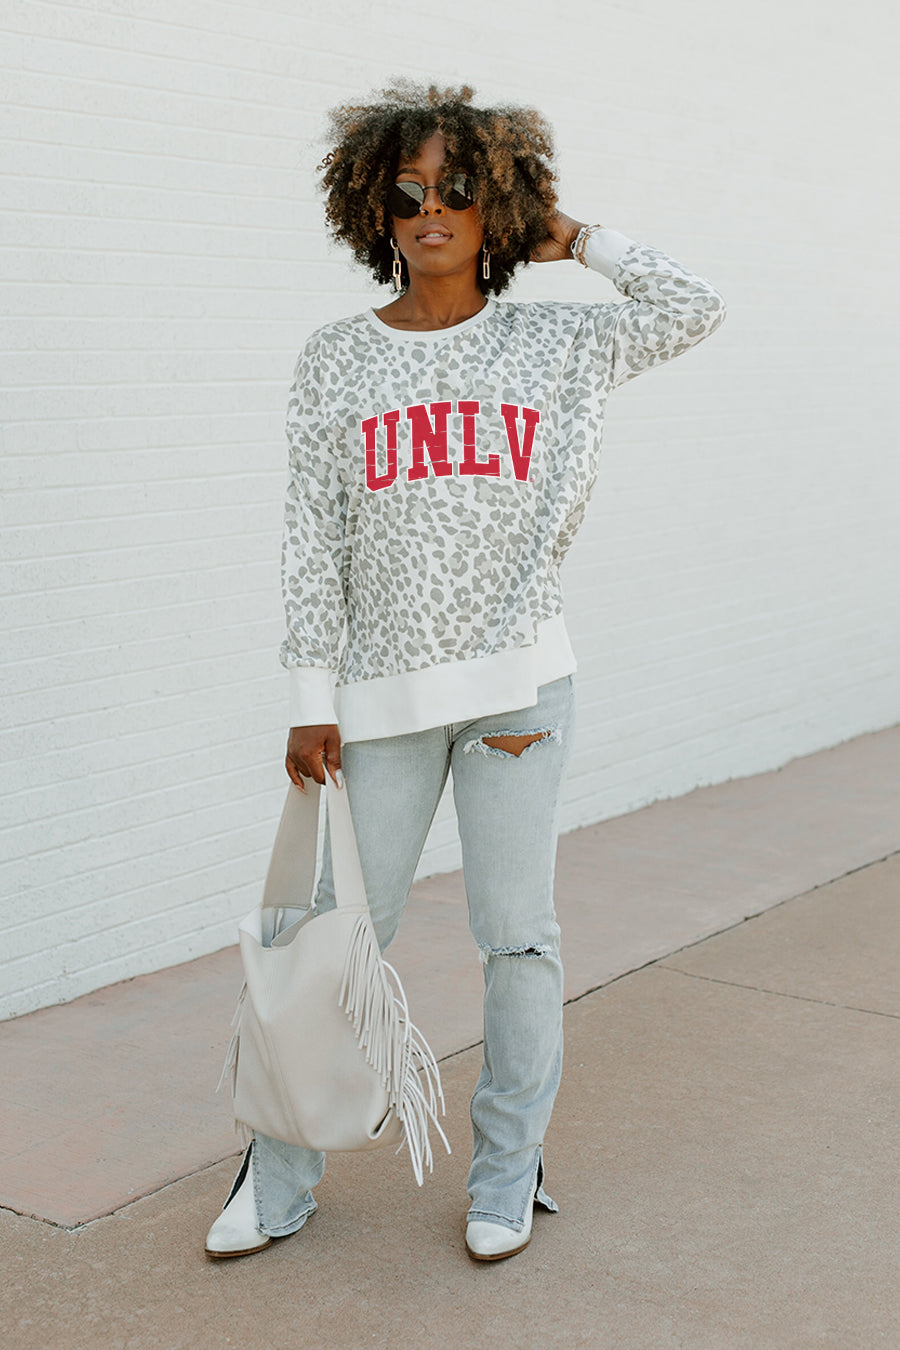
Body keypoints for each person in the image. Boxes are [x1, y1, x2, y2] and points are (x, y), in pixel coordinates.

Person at [205, 78, 727, 1263]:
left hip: (518, 696)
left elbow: (695, 304)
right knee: (333, 937)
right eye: (407, 193)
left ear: (497, 204)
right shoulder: (336, 359)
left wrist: (574, 237)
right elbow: (311, 537)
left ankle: (507, 1170)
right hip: (376, 704)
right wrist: (309, 699)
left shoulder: (561, 342)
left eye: (457, 190)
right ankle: (277, 1176)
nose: (430, 210)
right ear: (374, 212)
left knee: (517, 938)